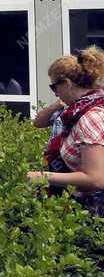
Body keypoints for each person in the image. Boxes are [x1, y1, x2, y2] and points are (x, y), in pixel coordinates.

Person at [27, 48, 104, 216]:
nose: (55, 93)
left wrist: (43, 176)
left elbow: (96, 179)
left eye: (54, 87)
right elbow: (38, 122)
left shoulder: (89, 118)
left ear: (67, 84)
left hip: (95, 211)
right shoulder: (81, 109)